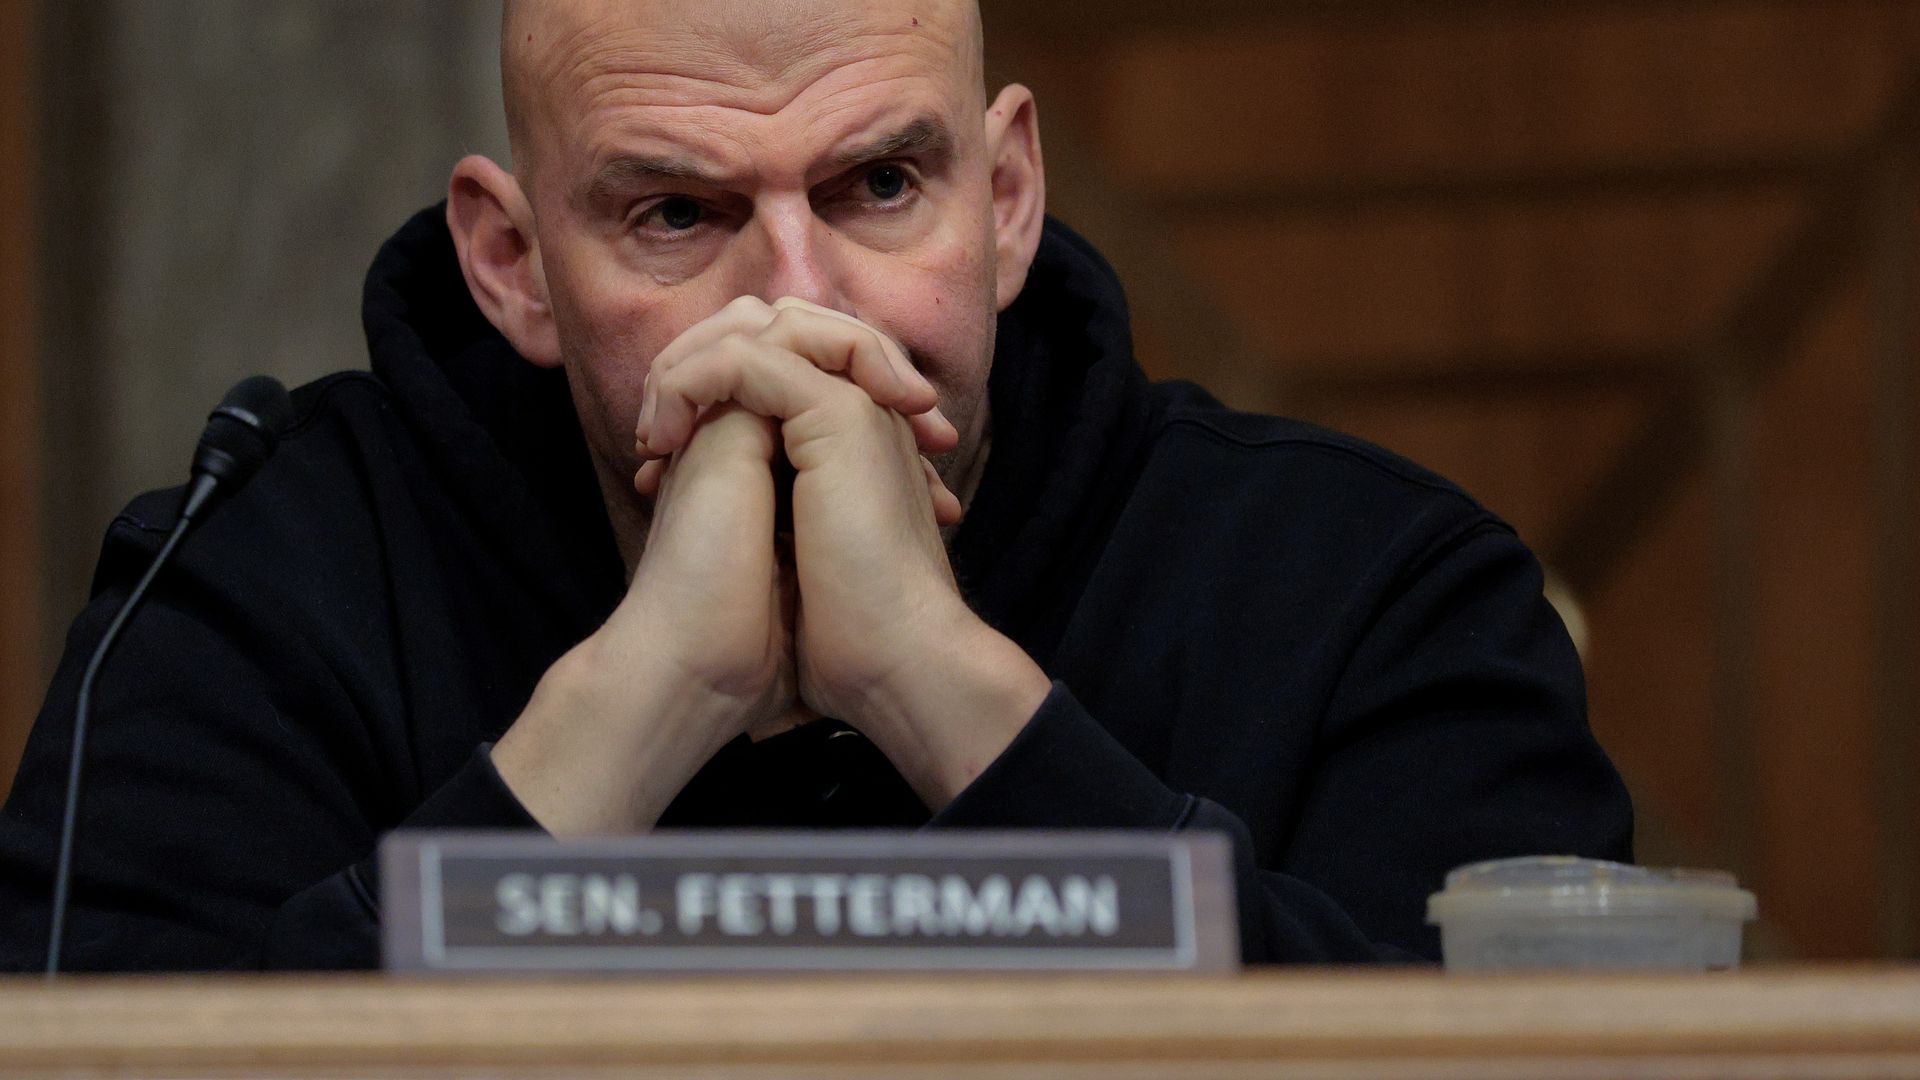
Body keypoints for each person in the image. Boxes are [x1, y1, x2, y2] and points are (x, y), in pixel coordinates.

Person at [0, 0, 1631, 970]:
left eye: (881, 185)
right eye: (674, 214)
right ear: (510, 262)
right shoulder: (249, 578)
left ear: (1008, 197)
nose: (799, 304)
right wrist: (639, 704)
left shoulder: (1377, 588)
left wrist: (943, 691)